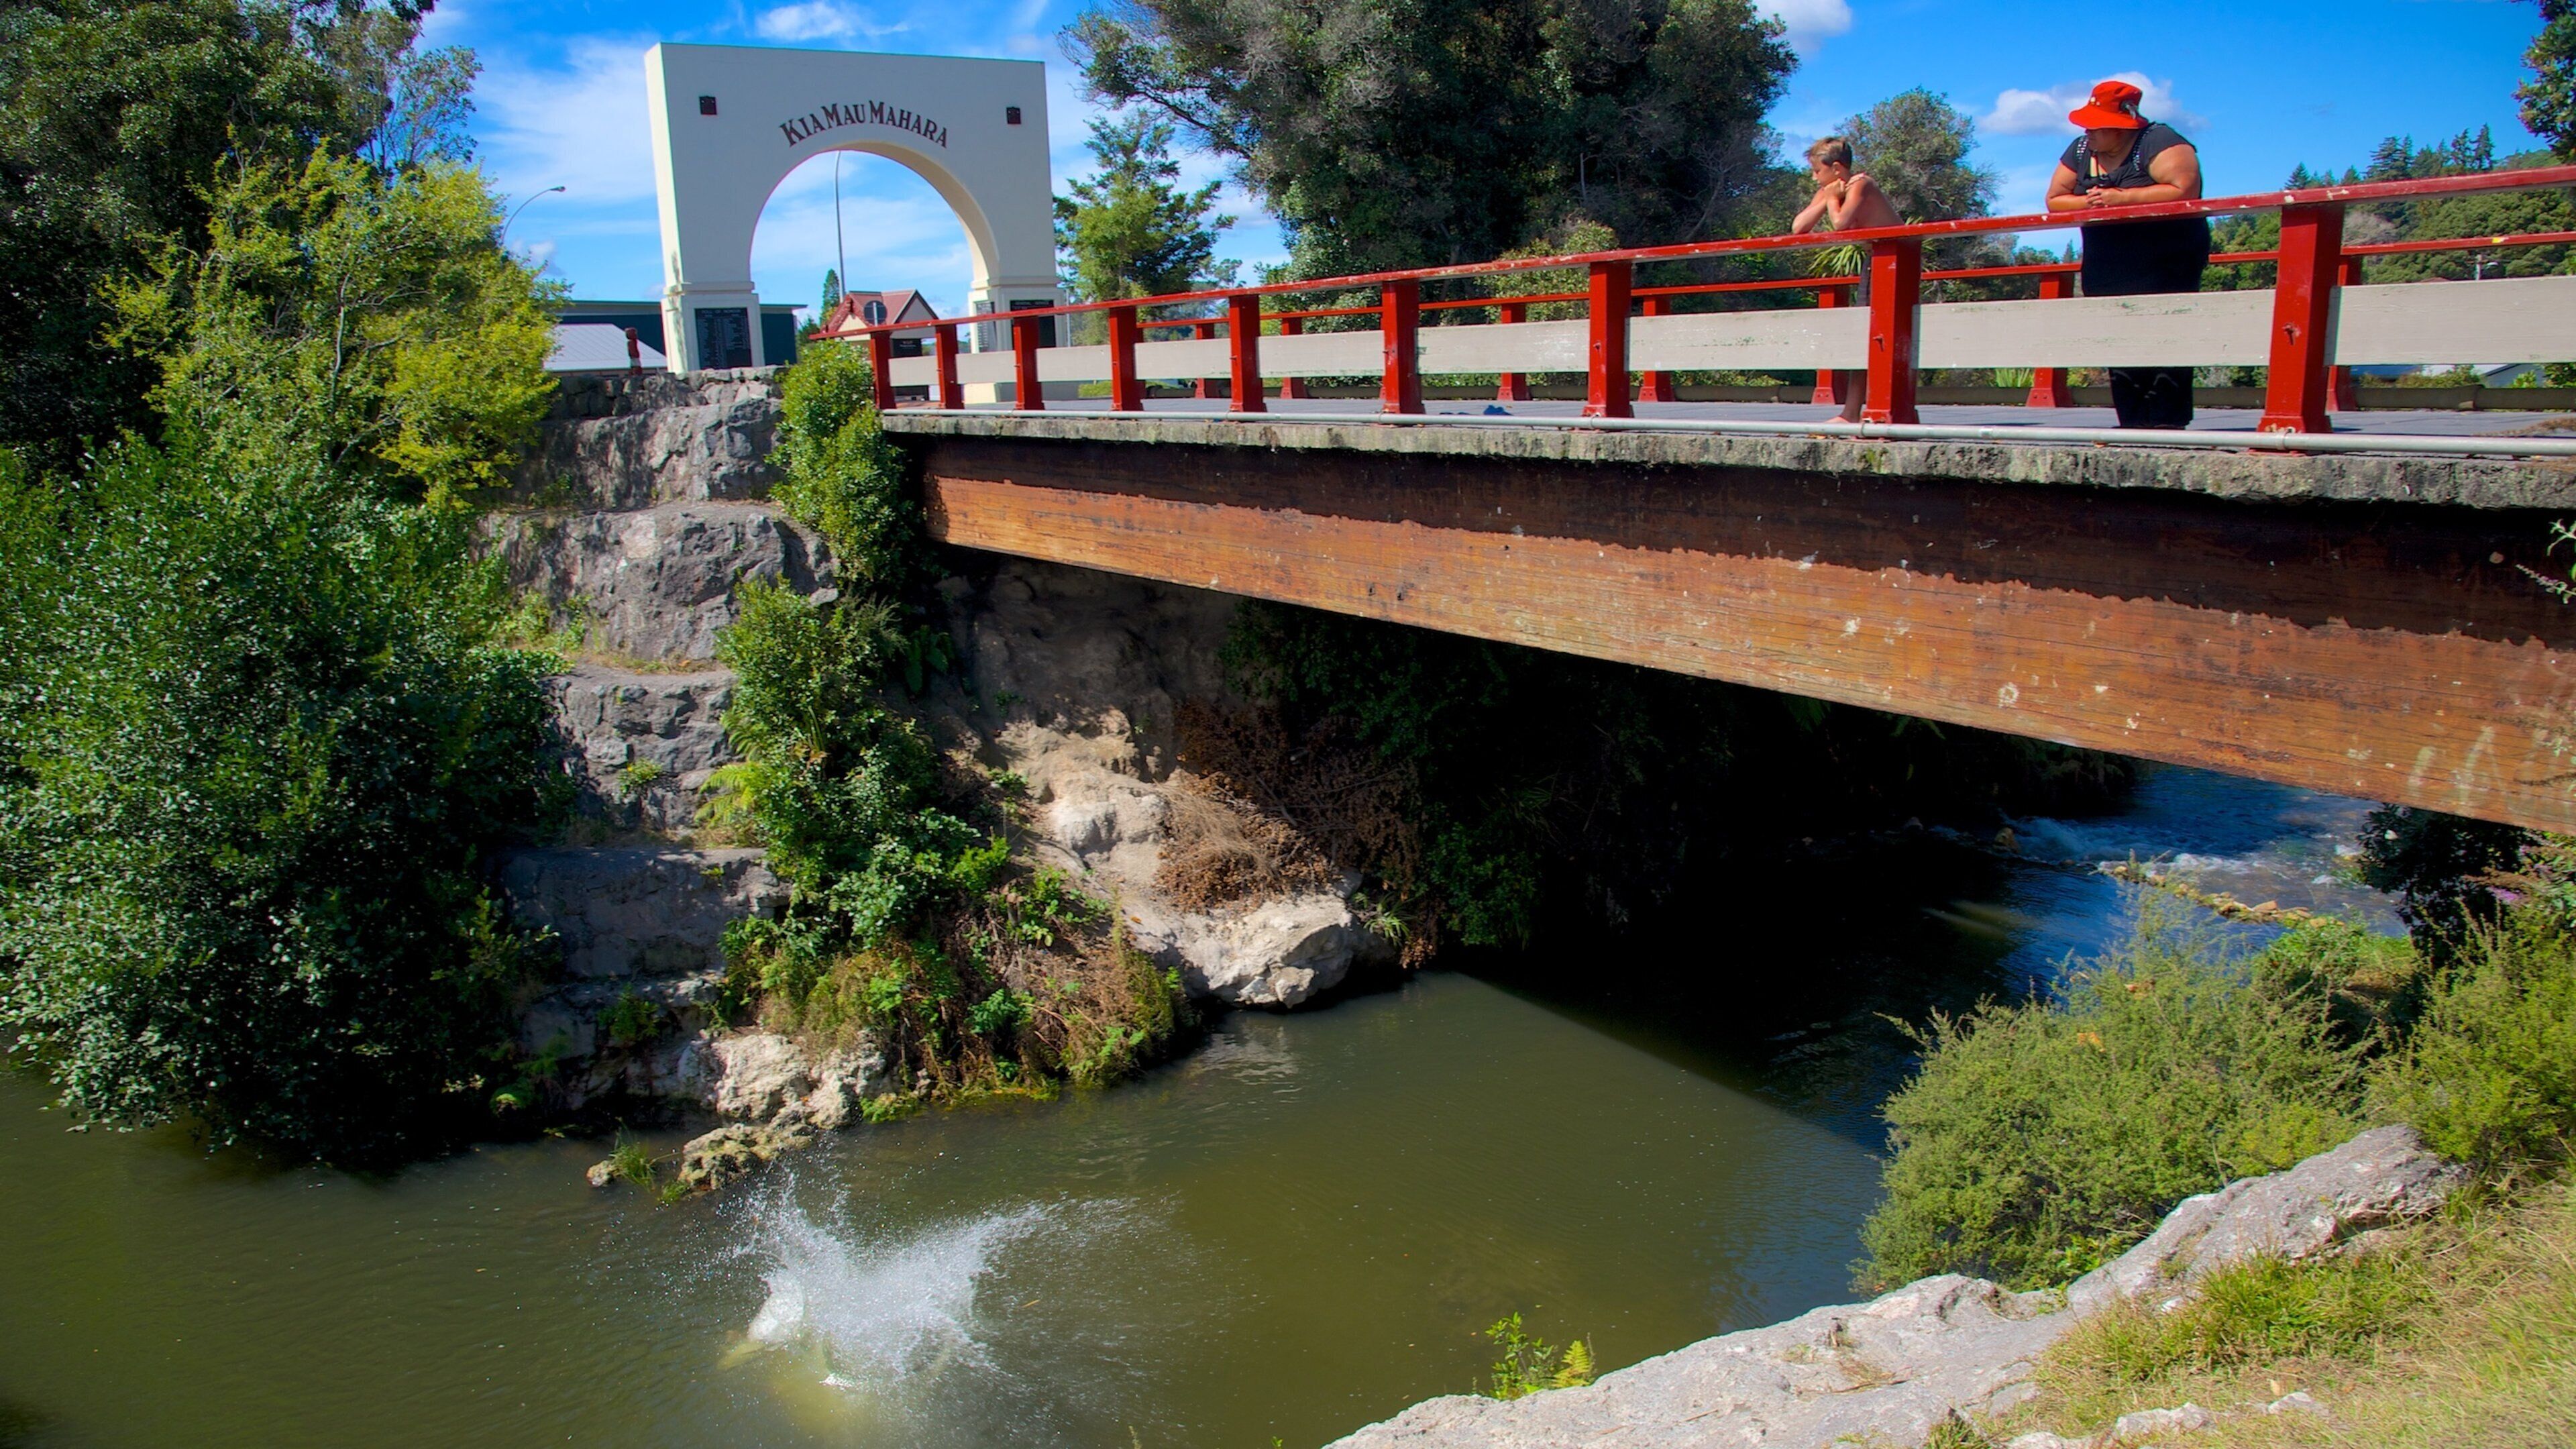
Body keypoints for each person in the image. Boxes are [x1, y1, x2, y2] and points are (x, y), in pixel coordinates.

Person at [2043, 80, 2209, 429]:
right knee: (2116, 333)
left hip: (2166, 258)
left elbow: (2184, 189)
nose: (2089, 131)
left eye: (2097, 125)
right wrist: (2088, 202)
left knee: (2166, 331)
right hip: (2108, 259)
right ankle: (2132, 418)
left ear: (2123, 124)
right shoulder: (2081, 150)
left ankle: (2168, 420)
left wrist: (2123, 198)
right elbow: (2055, 199)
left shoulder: (2160, 142)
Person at [1792, 138, 1898, 417]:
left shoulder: (1862, 184)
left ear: (1837, 168)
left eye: (1817, 171)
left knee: (1880, 339)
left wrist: (1830, 199)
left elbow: (1840, 223)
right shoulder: (1833, 190)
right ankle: (1850, 413)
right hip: (1875, 262)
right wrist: (1826, 196)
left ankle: (1864, 412)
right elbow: (1799, 227)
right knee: (1865, 339)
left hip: (1894, 262)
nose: (1814, 177)